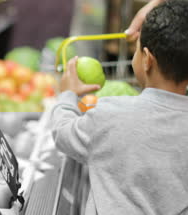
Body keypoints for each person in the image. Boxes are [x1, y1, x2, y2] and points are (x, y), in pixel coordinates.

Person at [48, 0, 188, 214]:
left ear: (147, 60)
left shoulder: (108, 114)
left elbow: (62, 133)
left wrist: (68, 95)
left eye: (136, 49)